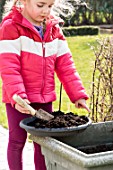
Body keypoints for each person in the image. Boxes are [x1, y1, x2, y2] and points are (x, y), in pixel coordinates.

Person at [0, 0, 90, 169]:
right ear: (24, 1)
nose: (46, 11)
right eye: (40, 5)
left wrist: (78, 95)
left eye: (49, 6)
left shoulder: (53, 29)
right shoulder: (11, 27)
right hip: (18, 100)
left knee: (43, 145)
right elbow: (9, 67)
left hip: (44, 98)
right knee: (17, 141)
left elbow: (66, 65)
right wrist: (18, 96)